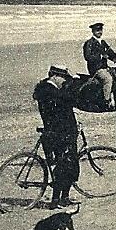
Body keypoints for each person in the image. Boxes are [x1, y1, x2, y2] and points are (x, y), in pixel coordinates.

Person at [32, 64, 81, 207]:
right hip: (59, 134)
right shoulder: (49, 90)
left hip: (61, 132)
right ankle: (55, 200)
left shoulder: (47, 89)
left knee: (68, 165)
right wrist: (72, 84)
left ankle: (64, 198)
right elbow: (66, 103)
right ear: (54, 76)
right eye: (62, 78)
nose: (63, 81)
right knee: (64, 166)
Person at [82, 22, 116, 110]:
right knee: (108, 79)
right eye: (97, 30)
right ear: (93, 31)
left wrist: (115, 56)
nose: (99, 32)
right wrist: (100, 56)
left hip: (105, 67)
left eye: (101, 30)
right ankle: (106, 101)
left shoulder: (103, 42)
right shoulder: (89, 43)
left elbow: (110, 52)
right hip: (96, 69)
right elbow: (87, 57)